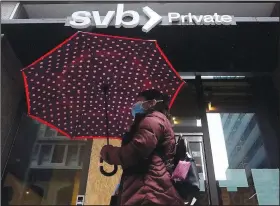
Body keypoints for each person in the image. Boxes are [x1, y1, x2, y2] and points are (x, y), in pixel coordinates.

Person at [100, 89, 184, 206]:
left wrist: (108, 152)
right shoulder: (154, 120)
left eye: (139, 101)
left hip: (148, 191)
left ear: (152, 102)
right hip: (149, 189)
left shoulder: (152, 121)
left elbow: (136, 151)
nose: (135, 106)